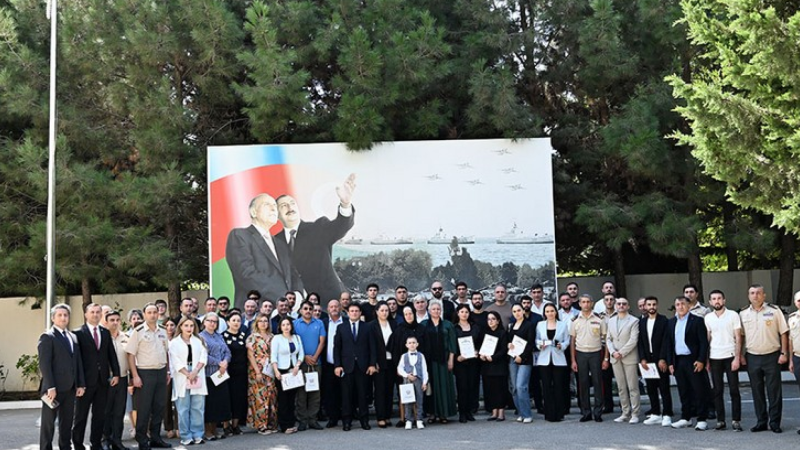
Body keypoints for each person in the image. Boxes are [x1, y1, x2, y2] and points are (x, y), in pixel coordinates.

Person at [274, 174, 356, 304]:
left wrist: (345, 204)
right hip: (296, 307)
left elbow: (341, 225)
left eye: (292, 203)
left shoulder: (318, 228)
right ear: (276, 214)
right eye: (283, 206)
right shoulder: (274, 242)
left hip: (330, 302)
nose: (289, 207)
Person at [225, 193, 304, 306]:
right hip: (257, 314)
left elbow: (293, 274)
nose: (273, 208)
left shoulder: (281, 244)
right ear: (253, 212)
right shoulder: (240, 235)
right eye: (267, 205)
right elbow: (247, 274)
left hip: (285, 315)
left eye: (275, 206)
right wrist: (285, 299)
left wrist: (298, 296)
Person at [739, 284, 788, 433]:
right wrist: (740, 355)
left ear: (764, 295)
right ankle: (761, 421)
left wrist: (784, 353)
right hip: (752, 356)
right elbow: (740, 336)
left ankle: (774, 422)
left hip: (772, 355)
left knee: (774, 391)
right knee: (756, 391)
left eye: (758, 293)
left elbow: (783, 333)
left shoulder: (774, 311)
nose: (755, 296)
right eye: (752, 293)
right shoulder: (743, 314)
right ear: (748, 296)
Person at [72, 303, 120, 450]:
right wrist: (78, 382)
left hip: (102, 382)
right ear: (86, 314)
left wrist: (116, 373)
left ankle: (96, 443)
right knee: (80, 417)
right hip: (85, 382)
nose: (95, 314)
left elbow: (111, 354)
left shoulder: (105, 332)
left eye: (98, 312)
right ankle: (78, 444)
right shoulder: (78, 333)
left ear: (101, 315)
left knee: (99, 416)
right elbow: (76, 360)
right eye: (92, 312)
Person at [39, 304, 86, 450]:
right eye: (59, 315)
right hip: (53, 389)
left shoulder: (72, 336)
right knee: (49, 424)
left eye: (65, 315)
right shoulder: (47, 337)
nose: (63, 318)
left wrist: (80, 384)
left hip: (71, 387)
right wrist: (50, 387)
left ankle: (65, 447)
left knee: (66, 423)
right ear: (53, 318)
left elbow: (77, 362)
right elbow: (45, 365)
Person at [126, 303, 172, 450]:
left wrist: (167, 371)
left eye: (155, 312)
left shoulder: (163, 330)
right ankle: (142, 439)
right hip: (145, 373)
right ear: (145, 315)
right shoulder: (138, 331)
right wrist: (135, 376)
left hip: (161, 372)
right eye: (149, 312)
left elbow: (166, 352)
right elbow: (130, 354)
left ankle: (156, 437)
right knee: (144, 408)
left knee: (159, 406)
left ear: (158, 314)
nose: (153, 315)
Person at [664, 296, 710, 430]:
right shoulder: (671, 322)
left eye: (683, 304)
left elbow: (703, 342)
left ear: (688, 305)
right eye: (677, 304)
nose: (680, 307)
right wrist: (670, 363)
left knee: (698, 389)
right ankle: (686, 418)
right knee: (683, 390)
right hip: (678, 360)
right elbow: (669, 344)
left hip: (693, 359)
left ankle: (702, 419)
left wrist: (701, 359)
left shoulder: (697, 321)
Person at [334, 303, 377, 431]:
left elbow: (372, 347)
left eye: (356, 311)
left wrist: (372, 364)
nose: (354, 313)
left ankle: (364, 421)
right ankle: (346, 421)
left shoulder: (367, 327)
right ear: (347, 313)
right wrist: (337, 365)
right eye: (351, 311)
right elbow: (337, 348)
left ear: (360, 313)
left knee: (363, 395)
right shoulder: (341, 327)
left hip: (363, 366)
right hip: (347, 367)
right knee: (346, 395)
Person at [704, 289, 743, 431]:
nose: (717, 301)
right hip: (715, 357)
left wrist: (737, 358)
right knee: (717, 390)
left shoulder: (733, 315)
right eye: (714, 299)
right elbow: (707, 339)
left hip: (730, 355)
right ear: (710, 302)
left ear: (724, 300)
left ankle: (736, 420)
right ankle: (720, 420)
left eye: (719, 298)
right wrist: (706, 360)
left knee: (734, 390)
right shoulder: (708, 317)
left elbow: (738, 337)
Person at [168, 317, 207, 446]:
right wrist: (187, 374)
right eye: (186, 325)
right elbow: (175, 361)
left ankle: (197, 434)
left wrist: (195, 371)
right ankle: (186, 435)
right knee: (183, 407)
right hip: (182, 374)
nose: (189, 328)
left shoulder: (199, 340)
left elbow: (203, 356)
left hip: (197, 372)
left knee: (198, 406)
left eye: (191, 325)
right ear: (180, 327)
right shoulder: (174, 343)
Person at [570, 294, 609, 422]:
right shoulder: (575, 320)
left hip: (596, 353)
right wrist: (573, 360)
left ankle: (598, 412)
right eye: (583, 302)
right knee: (583, 383)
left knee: (598, 382)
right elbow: (572, 341)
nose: (586, 304)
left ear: (592, 303)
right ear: (580, 304)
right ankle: (586, 412)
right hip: (581, 353)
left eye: (588, 302)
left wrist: (606, 359)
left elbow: (606, 339)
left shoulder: (599, 319)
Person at [638, 296, 674, 427]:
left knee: (664, 387)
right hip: (647, 360)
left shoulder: (664, 321)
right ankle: (655, 413)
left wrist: (663, 358)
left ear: (657, 305)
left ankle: (667, 414)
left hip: (660, 359)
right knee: (651, 387)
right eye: (649, 305)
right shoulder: (642, 322)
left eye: (654, 304)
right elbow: (640, 342)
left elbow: (666, 341)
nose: (651, 307)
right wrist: (642, 358)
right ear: (645, 307)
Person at [421, 300, 457, 423]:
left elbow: (452, 344)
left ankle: (443, 414)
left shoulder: (448, 325)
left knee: (443, 386)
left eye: (438, 309)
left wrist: (451, 360)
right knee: (432, 387)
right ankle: (432, 413)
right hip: (429, 361)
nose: (436, 311)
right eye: (433, 309)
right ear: (429, 311)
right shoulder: (424, 324)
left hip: (444, 360)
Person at [293, 301, 327, 431]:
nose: (308, 311)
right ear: (300, 310)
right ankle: (302, 420)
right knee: (301, 393)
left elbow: (322, 342)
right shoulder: (295, 324)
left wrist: (314, 357)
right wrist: (305, 357)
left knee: (315, 392)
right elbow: (294, 342)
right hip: (300, 363)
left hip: (316, 363)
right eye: (305, 308)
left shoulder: (319, 323)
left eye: (310, 309)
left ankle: (313, 419)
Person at [606, 297, 641, 424]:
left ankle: (635, 413)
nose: (621, 305)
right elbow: (608, 339)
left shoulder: (634, 321)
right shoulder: (611, 320)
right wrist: (613, 352)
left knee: (633, 387)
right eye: (619, 304)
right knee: (621, 387)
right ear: (615, 306)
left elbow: (633, 340)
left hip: (629, 357)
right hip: (615, 357)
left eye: (624, 304)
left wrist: (621, 352)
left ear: (628, 306)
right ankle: (625, 412)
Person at [198, 312, 232, 440]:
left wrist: (225, 362)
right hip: (208, 374)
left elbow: (227, 351)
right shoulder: (200, 337)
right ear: (204, 322)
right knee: (210, 403)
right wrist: (218, 363)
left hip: (221, 374)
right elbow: (203, 355)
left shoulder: (219, 336)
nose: (212, 323)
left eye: (215, 321)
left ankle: (214, 429)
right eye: (210, 321)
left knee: (219, 402)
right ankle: (207, 430)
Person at [536, 303, 570, 422]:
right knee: (546, 387)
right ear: (544, 313)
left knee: (558, 386)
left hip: (558, 358)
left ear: (556, 312)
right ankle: (549, 414)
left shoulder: (562, 325)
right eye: (547, 311)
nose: (550, 313)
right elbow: (537, 340)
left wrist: (562, 345)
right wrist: (541, 344)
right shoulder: (540, 325)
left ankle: (559, 413)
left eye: (552, 311)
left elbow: (567, 340)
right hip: (544, 359)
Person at [246, 314, 278, 435]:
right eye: (261, 321)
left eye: (266, 321)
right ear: (256, 323)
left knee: (271, 395)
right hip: (257, 370)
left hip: (270, 369)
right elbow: (250, 355)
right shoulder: (252, 338)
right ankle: (261, 425)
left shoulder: (273, 337)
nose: (264, 323)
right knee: (259, 397)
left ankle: (271, 422)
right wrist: (258, 372)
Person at [103, 310, 131, 450]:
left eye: (117, 320)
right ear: (106, 322)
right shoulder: (102, 337)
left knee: (119, 411)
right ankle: (106, 439)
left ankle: (117, 440)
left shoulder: (126, 337)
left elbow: (131, 359)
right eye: (112, 320)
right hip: (107, 380)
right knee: (106, 411)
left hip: (123, 378)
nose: (115, 323)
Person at [271, 317, 304, 434]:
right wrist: (276, 371)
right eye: (283, 325)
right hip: (281, 371)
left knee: (291, 399)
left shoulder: (297, 338)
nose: (286, 327)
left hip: (293, 371)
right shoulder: (276, 338)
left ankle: (291, 423)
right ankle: (284, 426)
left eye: (288, 324)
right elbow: (273, 356)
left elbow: (301, 354)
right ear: (280, 327)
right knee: (283, 400)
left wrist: (297, 366)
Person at [508, 303, 536, 423]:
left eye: (519, 310)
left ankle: (527, 414)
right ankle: (520, 412)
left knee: (521, 386)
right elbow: (510, 341)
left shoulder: (529, 325)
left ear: (523, 311)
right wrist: (509, 345)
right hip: (512, 359)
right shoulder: (512, 325)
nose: (517, 313)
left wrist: (522, 356)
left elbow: (530, 344)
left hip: (525, 360)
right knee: (514, 387)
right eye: (514, 311)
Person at [371, 301, 397, 427]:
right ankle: (380, 417)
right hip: (379, 362)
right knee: (380, 390)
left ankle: (387, 415)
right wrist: (373, 362)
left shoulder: (394, 324)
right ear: (376, 312)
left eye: (387, 310)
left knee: (389, 390)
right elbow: (370, 346)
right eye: (382, 310)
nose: (385, 313)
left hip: (392, 361)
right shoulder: (372, 326)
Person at [453, 304, 480, 423]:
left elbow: (479, 342)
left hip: (473, 361)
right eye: (462, 312)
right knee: (462, 387)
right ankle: (462, 413)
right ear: (458, 313)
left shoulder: (475, 327)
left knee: (471, 386)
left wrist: (478, 351)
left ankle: (469, 412)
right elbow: (452, 345)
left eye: (467, 312)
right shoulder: (454, 328)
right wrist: (457, 357)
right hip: (460, 362)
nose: (464, 314)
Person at [222, 311, 248, 435]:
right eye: (233, 320)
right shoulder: (222, 336)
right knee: (227, 399)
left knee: (238, 398)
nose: (236, 323)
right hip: (227, 373)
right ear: (228, 322)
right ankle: (226, 425)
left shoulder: (244, 336)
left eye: (238, 320)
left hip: (241, 372)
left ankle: (235, 425)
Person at [480, 311, 508, 421]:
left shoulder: (502, 333)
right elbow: (481, 347)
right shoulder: (485, 333)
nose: (490, 321)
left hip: (499, 365)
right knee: (490, 389)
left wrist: (494, 357)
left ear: (498, 321)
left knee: (500, 389)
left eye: (493, 319)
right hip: (487, 366)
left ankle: (501, 413)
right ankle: (494, 412)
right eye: (488, 319)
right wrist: (481, 355)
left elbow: (503, 350)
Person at [321, 299, 345, 428]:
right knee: (330, 392)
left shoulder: (346, 321)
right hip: (329, 363)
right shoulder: (323, 323)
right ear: (328, 309)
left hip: (345, 364)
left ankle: (347, 416)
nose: (334, 308)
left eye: (336, 306)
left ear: (340, 308)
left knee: (346, 391)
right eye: (331, 306)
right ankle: (333, 418)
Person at [397, 335, 429, 430]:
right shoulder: (404, 356)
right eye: (410, 343)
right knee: (408, 400)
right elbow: (399, 368)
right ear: (406, 345)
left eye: (414, 343)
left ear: (417, 344)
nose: (412, 344)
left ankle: (419, 419)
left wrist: (424, 382)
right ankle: (409, 420)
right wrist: (407, 375)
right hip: (408, 380)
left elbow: (424, 370)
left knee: (419, 399)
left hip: (418, 379)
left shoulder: (421, 355)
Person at [125, 309, 144, 439]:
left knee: (143, 403)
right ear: (130, 321)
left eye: (138, 318)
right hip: (129, 372)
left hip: (144, 370)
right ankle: (134, 427)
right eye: (134, 318)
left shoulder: (145, 333)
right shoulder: (126, 336)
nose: (136, 320)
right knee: (131, 403)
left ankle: (143, 429)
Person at [161, 317, 179, 440]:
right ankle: (169, 428)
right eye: (167, 325)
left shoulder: (179, 340)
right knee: (166, 401)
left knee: (178, 402)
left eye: (172, 325)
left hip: (178, 374)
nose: (169, 327)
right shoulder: (161, 339)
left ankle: (178, 427)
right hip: (165, 374)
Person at [788, 291, 800, 434]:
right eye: (798, 300)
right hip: (798, 358)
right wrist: (791, 360)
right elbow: (791, 341)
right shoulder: (792, 319)